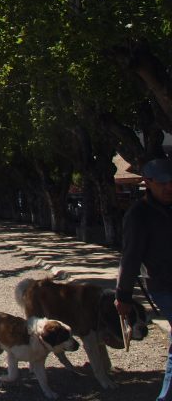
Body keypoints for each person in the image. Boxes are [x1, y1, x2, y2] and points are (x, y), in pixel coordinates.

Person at [117, 157, 172, 401]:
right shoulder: (138, 214)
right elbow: (130, 257)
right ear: (148, 182)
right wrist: (123, 295)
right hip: (164, 285)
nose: (168, 187)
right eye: (162, 183)